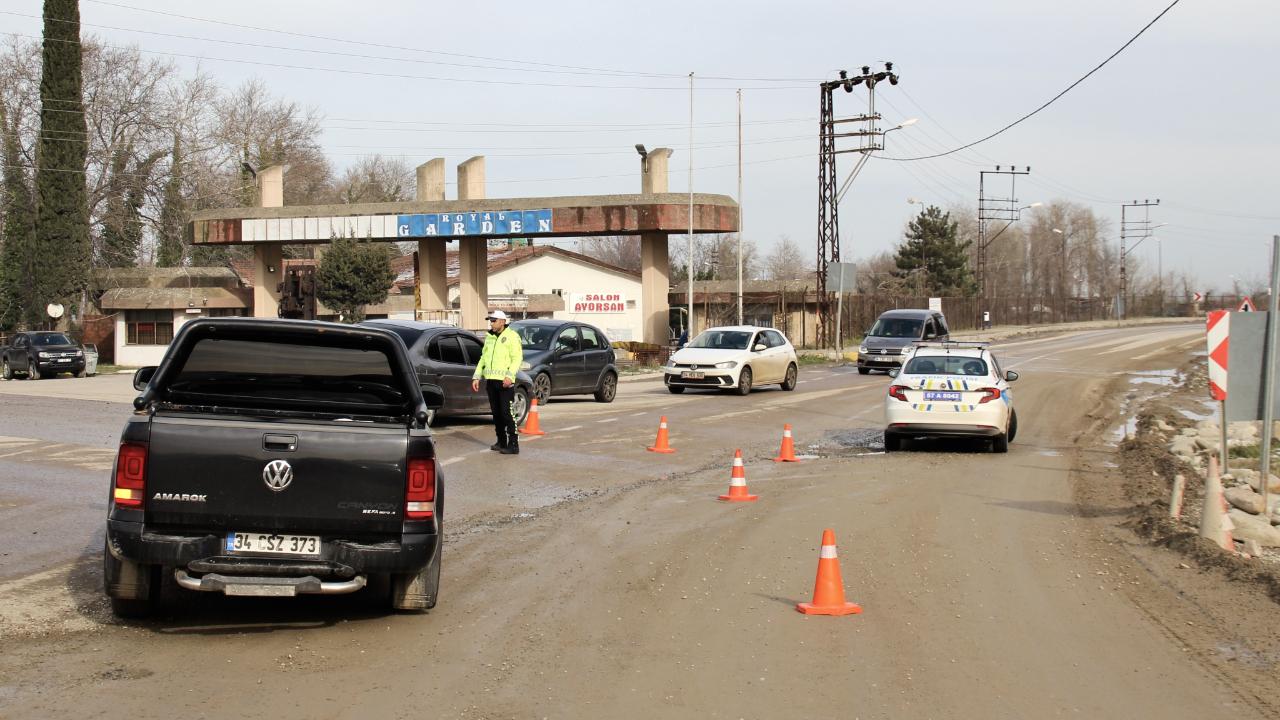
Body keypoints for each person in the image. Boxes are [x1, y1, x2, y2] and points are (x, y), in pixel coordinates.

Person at [471, 310, 524, 455]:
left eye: (494, 320)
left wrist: (509, 376)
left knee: (507, 413)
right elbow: (483, 358)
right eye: (491, 320)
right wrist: (476, 376)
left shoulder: (512, 336)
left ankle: (513, 444)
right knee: (496, 413)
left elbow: (517, 358)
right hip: (491, 381)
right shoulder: (489, 337)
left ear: (502, 321)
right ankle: (501, 441)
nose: (491, 323)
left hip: (505, 382)